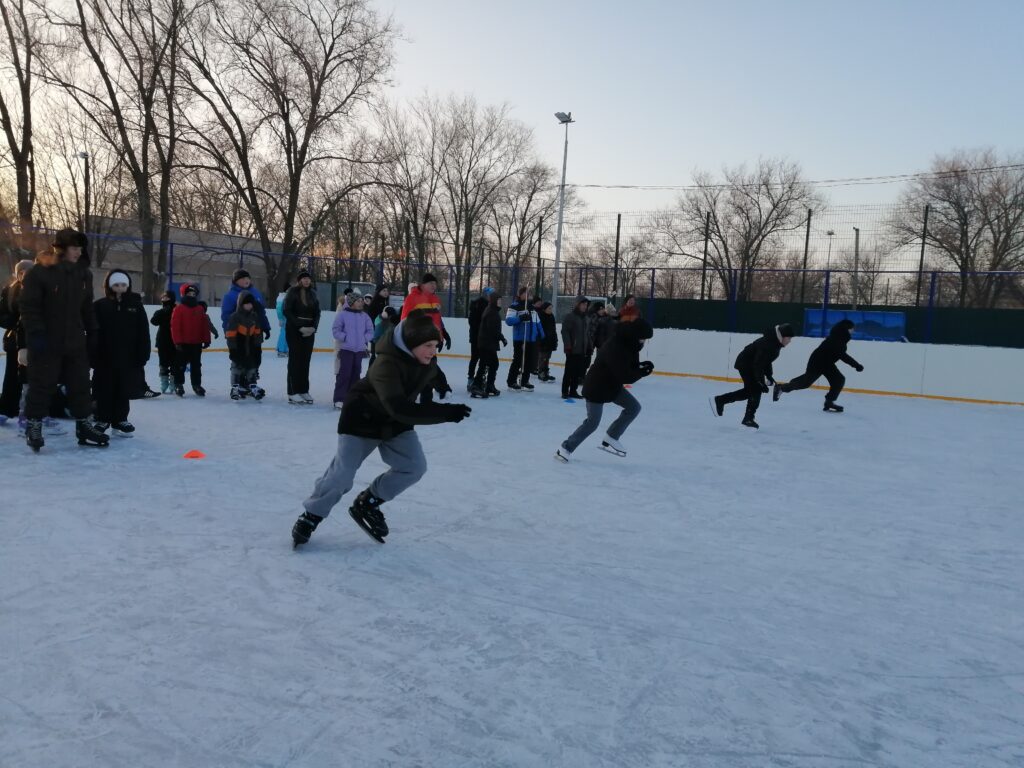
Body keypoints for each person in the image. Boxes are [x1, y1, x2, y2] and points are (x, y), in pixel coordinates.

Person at [291, 311, 472, 547]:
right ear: (410, 344)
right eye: (427, 345)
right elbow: (398, 407)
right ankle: (312, 515)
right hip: (362, 420)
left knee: (414, 467)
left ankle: (368, 502)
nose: (432, 351)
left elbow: (432, 374)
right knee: (342, 474)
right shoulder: (385, 365)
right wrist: (445, 413)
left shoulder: (426, 362)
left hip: (393, 423)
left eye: (435, 345)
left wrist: (442, 386)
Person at [18, 228, 109, 450]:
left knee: (80, 384)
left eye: (80, 248)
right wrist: (36, 334)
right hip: (47, 340)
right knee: (41, 384)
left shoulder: (83, 274)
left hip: (75, 341)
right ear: (61, 248)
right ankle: (34, 425)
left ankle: (84, 425)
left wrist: (93, 332)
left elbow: (87, 308)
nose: (78, 252)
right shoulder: (40, 273)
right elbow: (29, 307)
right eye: (74, 248)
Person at [555, 319, 655, 463]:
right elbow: (624, 375)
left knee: (634, 408)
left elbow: (630, 366)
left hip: (612, 386)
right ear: (635, 335)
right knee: (592, 423)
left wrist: (640, 367)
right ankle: (565, 448)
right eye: (642, 338)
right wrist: (641, 372)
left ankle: (612, 436)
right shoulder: (615, 346)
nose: (643, 342)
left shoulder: (631, 345)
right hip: (597, 387)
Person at [91, 271, 151, 436]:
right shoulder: (100, 306)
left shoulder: (135, 306)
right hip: (104, 356)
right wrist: (92, 354)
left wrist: (143, 353)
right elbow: (93, 332)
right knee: (104, 388)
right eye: (116, 285)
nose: (120, 288)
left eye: (123, 285)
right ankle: (103, 418)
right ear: (109, 286)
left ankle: (120, 419)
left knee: (123, 388)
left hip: (128, 357)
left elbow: (143, 331)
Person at [712, 324, 796, 429]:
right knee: (755, 390)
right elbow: (758, 364)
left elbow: (766, 361)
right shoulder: (769, 344)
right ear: (782, 336)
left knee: (751, 391)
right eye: (789, 338)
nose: (790, 341)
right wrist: (760, 382)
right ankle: (745, 416)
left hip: (751, 365)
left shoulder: (775, 343)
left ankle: (725, 403)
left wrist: (769, 375)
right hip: (746, 364)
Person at [774, 318, 863, 412]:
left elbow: (840, 354)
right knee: (805, 383)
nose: (853, 330)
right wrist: (856, 365)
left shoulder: (840, 337)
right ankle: (781, 388)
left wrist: (855, 365)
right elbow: (842, 355)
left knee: (839, 379)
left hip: (827, 363)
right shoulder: (837, 339)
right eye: (852, 328)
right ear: (847, 328)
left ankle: (829, 402)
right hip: (818, 362)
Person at [0, 259, 33, 424]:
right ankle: (7, 409)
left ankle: (28, 411)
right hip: (13, 340)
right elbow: (2, 315)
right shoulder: (9, 290)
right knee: (12, 376)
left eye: (28, 271)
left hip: (32, 340)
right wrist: (15, 323)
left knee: (29, 378)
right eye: (21, 272)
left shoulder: (36, 290)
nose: (24, 275)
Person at [282, 270, 321, 405]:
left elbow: (317, 313)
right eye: (304, 278)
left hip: (309, 331)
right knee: (295, 360)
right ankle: (293, 392)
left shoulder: (313, 294)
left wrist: (313, 328)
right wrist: (299, 326)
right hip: (294, 330)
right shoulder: (292, 292)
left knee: (305, 361)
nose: (306, 280)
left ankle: (303, 390)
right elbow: (287, 310)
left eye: (308, 278)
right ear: (299, 280)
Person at [332, 291, 374, 408]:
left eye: (362, 301)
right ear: (351, 302)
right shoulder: (342, 315)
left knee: (356, 374)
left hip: (359, 350)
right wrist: (345, 337)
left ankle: (352, 398)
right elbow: (336, 330)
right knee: (344, 374)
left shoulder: (364, 316)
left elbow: (370, 331)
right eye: (358, 301)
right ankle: (339, 398)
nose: (361, 303)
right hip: (346, 349)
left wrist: (364, 339)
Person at [170, 283, 212, 397]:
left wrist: (206, 339)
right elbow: (175, 326)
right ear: (183, 294)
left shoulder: (200, 309)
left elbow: (204, 326)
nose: (192, 296)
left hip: (196, 343)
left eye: (194, 294)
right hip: (183, 343)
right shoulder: (179, 309)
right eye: (189, 294)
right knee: (180, 365)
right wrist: (177, 341)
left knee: (196, 365)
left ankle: (196, 384)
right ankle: (178, 384)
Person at [225, 290, 265, 400]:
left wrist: (258, 348)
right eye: (246, 303)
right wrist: (232, 350)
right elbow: (230, 335)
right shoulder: (235, 317)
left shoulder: (254, 316)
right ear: (241, 304)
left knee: (252, 367)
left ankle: (252, 386)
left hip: (251, 347)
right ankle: (235, 387)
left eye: (250, 304)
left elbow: (258, 333)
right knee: (237, 367)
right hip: (239, 347)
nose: (249, 306)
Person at [504, 286, 544, 391]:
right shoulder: (515, 306)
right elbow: (508, 321)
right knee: (517, 360)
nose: (528, 295)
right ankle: (511, 381)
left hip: (531, 338)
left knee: (528, 361)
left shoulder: (532, 308)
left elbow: (538, 322)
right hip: (520, 338)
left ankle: (524, 381)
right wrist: (520, 318)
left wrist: (542, 334)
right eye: (525, 293)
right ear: (520, 294)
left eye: (529, 294)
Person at [400, 272, 451, 351]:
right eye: (431, 283)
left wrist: (443, 335)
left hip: (431, 341)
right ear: (423, 285)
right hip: (418, 342)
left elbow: (437, 320)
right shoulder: (412, 298)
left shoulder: (435, 299)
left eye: (435, 283)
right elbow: (404, 320)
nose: (434, 286)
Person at [470, 290, 506, 399]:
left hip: (488, 343)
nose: (500, 302)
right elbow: (492, 329)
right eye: (499, 300)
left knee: (493, 364)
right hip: (486, 343)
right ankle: (476, 386)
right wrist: (502, 338)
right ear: (494, 301)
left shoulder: (492, 310)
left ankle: (489, 386)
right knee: (485, 364)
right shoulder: (491, 312)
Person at [220, 268, 271, 342]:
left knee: (256, 349)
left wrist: (265, 327)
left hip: (256, 332)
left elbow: (261, 312)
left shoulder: (256, 293)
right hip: (239, 334)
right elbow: (226, 316)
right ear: (236, 281)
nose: (246, 280)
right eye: (243, 278)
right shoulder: (230, 296)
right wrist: (228, 333)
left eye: (248, 278)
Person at [560, 296, 591, 400]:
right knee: (569, 371)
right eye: (583, 304)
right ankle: (565, 391)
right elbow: (565, 332)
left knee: (578, 372)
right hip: (572, 349)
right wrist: (568, 346)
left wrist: (589, 346)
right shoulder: (570, 316)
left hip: (582, 350)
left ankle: (573, 391)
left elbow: (587, 334)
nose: (585, 306)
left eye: (586, 305)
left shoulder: (586, 318)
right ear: (578, 304)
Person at [149, 290, 177, 394]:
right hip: (163, 341)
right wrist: (162, 312)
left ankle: (173, 382)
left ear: (171, 298)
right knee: (163, 363)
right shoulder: (161, 311)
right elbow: (153, 321)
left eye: (166, 297)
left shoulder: (177, 310)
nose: (164, 299)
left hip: (175, 341)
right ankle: (164, 382)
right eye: (163, 297)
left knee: (174, 363)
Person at [466, 287, 492, 389]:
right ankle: (471, 379)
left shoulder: (490, 306)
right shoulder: (477, 305)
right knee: (475, 358)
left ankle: (479, 378)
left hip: (484, 337)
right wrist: (482, 331)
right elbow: (472, 322)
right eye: (490, 295)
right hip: (477, 337)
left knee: (483, 359)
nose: (491, 297)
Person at [365, 284, 391, 365]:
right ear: (378, 292)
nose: (386, 292)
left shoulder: (385, 302)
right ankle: (371, 371)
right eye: (384, 291)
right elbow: (371, 318)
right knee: (375, 354)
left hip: (383, 331)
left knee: (380, 355)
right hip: (376, 332)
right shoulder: (375, 303)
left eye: (387, 290)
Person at [536, 301, 558, 383]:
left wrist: (555, 340)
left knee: (547, 357)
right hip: (543, 341)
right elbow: (539, 330)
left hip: (550, 340)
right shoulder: (540, 316)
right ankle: (541, 373)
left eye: (551, 308)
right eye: (549, 308)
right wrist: (541, 339)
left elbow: (553, 329)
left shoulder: (551, 316)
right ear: (544, 309)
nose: (551, 310)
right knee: (543, 357)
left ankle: (546, 372)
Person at [275, 286, 290, 358]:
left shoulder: (284, 296)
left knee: (285, 333)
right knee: (284, 334)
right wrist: (280, 319)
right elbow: (279, 309)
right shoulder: (282, 297)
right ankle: (281, 350)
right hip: (284, 318)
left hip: (287, 318)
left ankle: (282, 349)